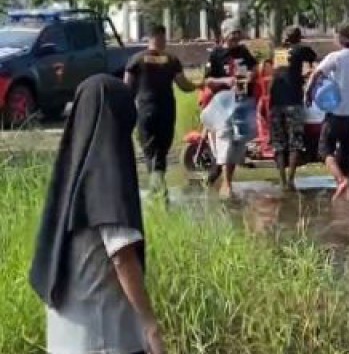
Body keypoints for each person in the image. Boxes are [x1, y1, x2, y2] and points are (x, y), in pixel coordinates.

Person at [30, 75, 166, 354]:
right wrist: (150, 325)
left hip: (66, 336)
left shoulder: (72, 174)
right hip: (104, 337)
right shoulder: (106, 174)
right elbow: (122, 255)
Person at [123, 24, 203, 199]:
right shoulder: (171, 60)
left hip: (146, 110)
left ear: (148, 38)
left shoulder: (136, 60)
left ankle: (157, 191)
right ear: (161, 37)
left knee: (149, 151)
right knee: (161, 151)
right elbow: (184, 85)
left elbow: (126, 88)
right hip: (166, 110)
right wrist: (200, 85)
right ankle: (159, 190)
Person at [306, 24, 349, 202]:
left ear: (339, 38)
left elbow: (316, 74)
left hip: (335, 114)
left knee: (324, 150)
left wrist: (308, 93)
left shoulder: (335, 57)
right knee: (347, 154)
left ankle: (341, 181)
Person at [203, 21, 258, 198]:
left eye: (238, 33)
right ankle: (226, 184)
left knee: (237, 143)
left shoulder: (243, 52)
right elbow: (208, 81)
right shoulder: (216, 54)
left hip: (241, 102)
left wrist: (251, 75)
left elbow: (255, 68)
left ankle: (227, 180)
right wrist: (225, 81)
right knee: (225, 139)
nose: (235, 36)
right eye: (232, 33)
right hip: (222, 105)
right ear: (225, 34)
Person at [267, 26, 318, 191]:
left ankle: (282, 180)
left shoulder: (280, 52)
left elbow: (283, 73)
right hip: (293, 102)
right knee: (295, 142)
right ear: (299, 37)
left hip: (276, 103)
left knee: (279, 144)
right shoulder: (300, 49)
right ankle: (291, 180)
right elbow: (313, 59)